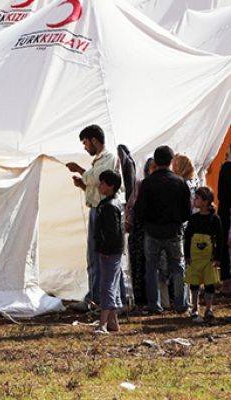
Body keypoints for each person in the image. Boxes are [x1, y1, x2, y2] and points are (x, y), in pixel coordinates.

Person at [66, 125, 119, 310]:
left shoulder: (108, 158)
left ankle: (100, 299)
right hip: (97, 209)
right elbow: (96, 186)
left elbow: (97, 178)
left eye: (86, 142)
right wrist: (83, 186)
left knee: (102, 256)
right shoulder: (99, 160)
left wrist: (80, 170)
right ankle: (96, 297)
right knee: (95, 256)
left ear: (94, 140)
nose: (85, 147)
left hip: (104, 212)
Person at [134, 145, 191, 314]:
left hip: (152, 231)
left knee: (151, 268)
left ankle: (155, 304)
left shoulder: (147, 183)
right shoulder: (180, 182)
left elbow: (139, 210)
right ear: (171, 161)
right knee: (178, 268)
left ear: (155, 162)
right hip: (174, 231)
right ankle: (181, 304)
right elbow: (187, 211)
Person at [184, 187, 222, 323]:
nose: (195, 200)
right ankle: (194, 307)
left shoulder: (215, 219)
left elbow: (220, 240)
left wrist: (218, 257)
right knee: (194, 283)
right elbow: (187, 238)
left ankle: (209, 308)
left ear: (206, 201)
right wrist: (187, 255)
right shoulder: (193, 219)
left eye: (197, 198)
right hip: (195, 258)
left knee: (209, 283)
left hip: (209, 259)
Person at [94, 170, 124, 334]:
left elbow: (112, 232)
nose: (100, 186)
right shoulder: (114, 203)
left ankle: (102, 324)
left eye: (102, 183)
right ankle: (113, 323)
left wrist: (105, 248)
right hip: (114, 250)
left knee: (107, 286)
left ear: (111, 186)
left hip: (110, 251)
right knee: (110, 283)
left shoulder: (109, 206)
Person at [125, 158, 155, 307]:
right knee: (141, 262)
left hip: (146, 230)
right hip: (140, 231)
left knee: (147, 263)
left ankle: (147, 296)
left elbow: (132, 207)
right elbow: (131, 207)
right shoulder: (140, 185)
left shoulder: (143, 185)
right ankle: (142, 296)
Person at [216, 148, 231, 295]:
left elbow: (221, 193)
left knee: (225, 248)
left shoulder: (226, 168)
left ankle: (227, 283)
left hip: (227, 212)